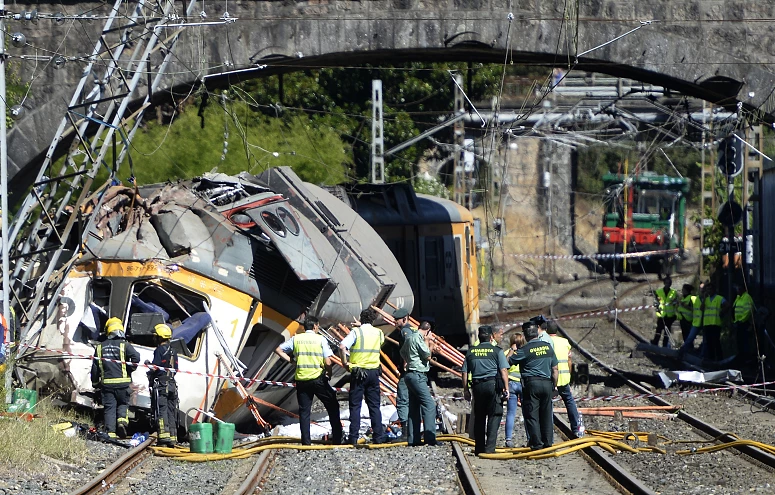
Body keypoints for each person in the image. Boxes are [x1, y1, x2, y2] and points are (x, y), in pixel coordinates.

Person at [276, 316, 343, 446]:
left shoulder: (297, 339)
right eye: (317, 326)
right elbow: (328, 361)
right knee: (332, 405)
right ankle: (337, 439)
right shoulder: (320, 339)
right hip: (318, 379)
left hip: (301, 380)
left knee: (304, 412)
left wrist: (292, 362)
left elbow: (278, 349)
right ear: (315, 326)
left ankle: (306, 443)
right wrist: (328, 373)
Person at [509, 320, 558, 451]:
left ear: (525, 335)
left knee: (532, 415)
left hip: (531, 384)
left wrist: (511, 350)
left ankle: (537, 444)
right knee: (547, 414)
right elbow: (555, 369)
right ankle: (548, 442)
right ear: (537, 332)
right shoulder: (548, 347)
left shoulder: (524, 350)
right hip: (547, 383)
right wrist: (554, 385)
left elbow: (508, 362)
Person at [339, 308, 385, 444]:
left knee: (355, 406)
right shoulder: (379, 333)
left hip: (358, 373)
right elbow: (375, 339)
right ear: (373, 320)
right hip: (374, 373)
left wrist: (345, 363)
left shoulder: (356, 332)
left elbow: (342, 347)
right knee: (374, 406)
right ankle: (378, 437)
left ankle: (353, 438)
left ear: (361, 318)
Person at [462, 325, 509, 455]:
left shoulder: (471, 352)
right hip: (492, 385)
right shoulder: (497, 351)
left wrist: (466, 390)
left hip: (477, 386)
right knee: (495, 414)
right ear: (490, 337)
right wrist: (506, 388)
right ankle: (490, 448)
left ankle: (479, 448)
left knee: (480, 416)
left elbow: (465, 372)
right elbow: (503, 370)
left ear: (479, 337)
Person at [91, 317, 140, 439]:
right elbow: (136, 357)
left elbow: (95, 367)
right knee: (123, 404)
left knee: (109, 408)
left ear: (108, 330)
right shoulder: (125, 345)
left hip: (107, 384)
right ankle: (122, 422)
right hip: (123, 383)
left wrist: (95, 382)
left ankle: (110, 433)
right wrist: (128, 370)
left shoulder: (100, 347)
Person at [400, 318, 438, 446]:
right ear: (427, 331)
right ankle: (430, 438)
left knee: (414, 407)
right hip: (418, 375)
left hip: (409, 374)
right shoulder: (418, 338)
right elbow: (427, 354)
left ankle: (413, 439)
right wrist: (428, 341)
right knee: (429, 405)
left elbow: (402, 352)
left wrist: (410, 360)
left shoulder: (410, 337)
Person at [547, 323, 584, 437]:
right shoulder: (564, 342)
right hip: (564, 377)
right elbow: (569, 361)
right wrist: (569, 374)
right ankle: (576, 427)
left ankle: (548, 431)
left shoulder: (545, 341)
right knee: (569, 401)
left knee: (547, 403)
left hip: (551, 378)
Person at [146, 323, 179, 446]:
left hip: (162, 384)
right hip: (172, 385)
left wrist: (148, 365)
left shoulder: (159, 350)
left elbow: (156, 366)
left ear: (160, 337)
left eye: (155, 336)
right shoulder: (173, 351)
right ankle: (173, 437)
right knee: (171, 411)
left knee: (162, 410)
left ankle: (164, 437)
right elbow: (176, 368)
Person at [388, 307, 414, 441]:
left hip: (407, 371)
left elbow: (407, 347)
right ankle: (412, 431)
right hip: (414, 370)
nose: (395, 322)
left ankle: (405, 433)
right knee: (412, 399)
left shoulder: (405, 331)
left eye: (397, 320)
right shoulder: (412, 330)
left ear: (405, 318)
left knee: (403, 399)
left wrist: (405, 362)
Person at [504, 332, 525, 448]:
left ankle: (508, 439)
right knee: (527, 412)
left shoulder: (506, 353)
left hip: (511, 384)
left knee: (511, 413)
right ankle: (530, 437)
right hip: (522, 384)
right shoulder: (524, 353)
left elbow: (504, 367)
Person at [701, 282, 727, 361]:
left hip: (716, 323)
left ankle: (719, 359)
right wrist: (704, 299)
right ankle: (711, 359)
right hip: (707, 323)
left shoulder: (719, 298)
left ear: (714, 290)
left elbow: (727, 305)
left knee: (716, 342)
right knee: (709, 343)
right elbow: (701, 308)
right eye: (707, 289)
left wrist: (722, 312)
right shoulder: (706, 299)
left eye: (710, 289)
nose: (709, 291)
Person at [680, 282, 706, 356]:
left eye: (703, 289)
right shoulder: (696, 298)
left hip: (706, 322)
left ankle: (702, 355)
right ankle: (683, 352)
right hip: (696, 322)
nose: (702, 291)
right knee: (689, 338)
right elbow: (694, 309)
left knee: (705, 341)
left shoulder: (708, 299)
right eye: (701, 289)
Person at [652, 276, 678, 347]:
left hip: (670, 316)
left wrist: (674, 302)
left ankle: (665, 345)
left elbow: (676, 301)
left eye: (669, 283)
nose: (667, 284)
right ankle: (655, 343)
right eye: (666, 283)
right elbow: (655, 302)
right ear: (664, 283)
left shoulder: (674, 292)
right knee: (658, 330)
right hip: (661, 315)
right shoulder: (659, 292)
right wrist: (656, 306)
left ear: (671, 284)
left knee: (667, 332)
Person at [732, 284, 755, 362]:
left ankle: (746, 359)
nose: (737, 290)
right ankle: (741, 358)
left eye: (738, 289)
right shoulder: (739, 297)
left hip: (745, 324)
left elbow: (748, 311)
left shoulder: (747, 298)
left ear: (743, 289)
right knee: (739, 342)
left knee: (745, 342)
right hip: (738, 323)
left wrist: (742, 320)